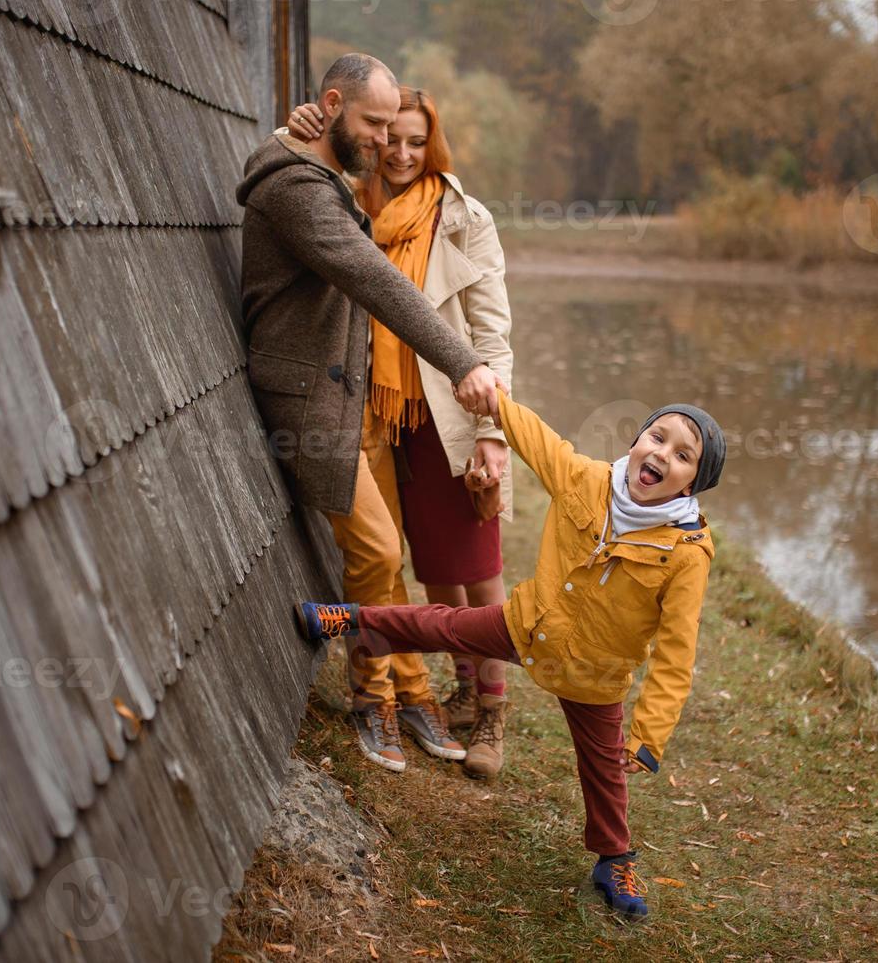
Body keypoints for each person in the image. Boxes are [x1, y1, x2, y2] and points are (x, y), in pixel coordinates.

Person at [294, 387, 726, 919]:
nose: (661, 455)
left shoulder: (686, 554)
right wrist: (492, 400)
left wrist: (649, 736)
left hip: (594, 672)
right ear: (637, 439)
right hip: (528, 625)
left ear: (693, 482)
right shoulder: (588, 480)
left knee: (604, 769)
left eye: (683, 456)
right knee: (441, 627)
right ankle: (351, 619)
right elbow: (538, 439)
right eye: (657, 437)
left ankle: (613, 858)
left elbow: (675, 654)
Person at [235, 54, 506, 773]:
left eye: (396, 126)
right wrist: (462, 361)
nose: (388, 142)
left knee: (385, 556)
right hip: (311, 401)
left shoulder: (322, 166)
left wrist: (297, 126)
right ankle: (371, 698)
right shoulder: (300, 190)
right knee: (380, 552)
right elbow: (374, 279)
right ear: (331, 105)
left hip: (350, 392)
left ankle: (412, 689)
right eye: (375, 124)